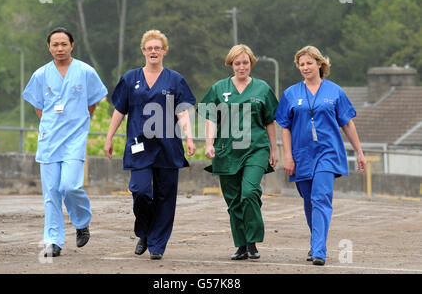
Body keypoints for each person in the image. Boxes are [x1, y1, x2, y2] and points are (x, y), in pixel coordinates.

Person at [104, 30, 196, 260]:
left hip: (168, 146)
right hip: (139, 146)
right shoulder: (130, 78)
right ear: (143, 51)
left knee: (166, 196)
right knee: (141, 190)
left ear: (164, 51)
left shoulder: (175, 80)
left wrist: (190, 137)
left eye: (158, 48)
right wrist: (109, 137)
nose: (153, 51)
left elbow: (182, 111)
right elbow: (119, 110)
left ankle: (157, 244)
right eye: (149, 48)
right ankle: (144, 232)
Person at [275, 45, 366, 266]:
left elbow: (347, 123)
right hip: (301, 155)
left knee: (320, 198)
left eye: (309, 63)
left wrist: (359, 152)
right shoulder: (291, 94)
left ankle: (319, 250)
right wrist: (288, 155)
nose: (305, 67)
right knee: (309, 201)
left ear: (319, 64)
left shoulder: (335, 92)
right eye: (301, 64)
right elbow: (284, 126)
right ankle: (316, 241)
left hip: (328, 152)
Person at [22, 27, 108, 257]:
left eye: (64, 44)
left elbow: (93, 102)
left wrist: (77, 122)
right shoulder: (40, 75)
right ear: (49, 47)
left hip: (74, 140)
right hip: (49, 141)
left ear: (72, 45)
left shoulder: (86, 71)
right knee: (51, 193)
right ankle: (53, 240)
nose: (59, 48)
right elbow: (39, 106)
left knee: (69, 186)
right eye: (55, 44)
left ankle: (81, 222)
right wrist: (51, 126)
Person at [198, 44, 279, 260]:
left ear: (251, 63)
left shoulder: (262, 89)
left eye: (245, 63)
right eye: (237, 63)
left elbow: (270, 121)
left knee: (250, 191)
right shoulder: (218, 88)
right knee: (233, 200)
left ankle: (252, 241)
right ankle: (241, 245)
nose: (241, 67)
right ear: (231, 65)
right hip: (226, 150)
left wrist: (274, 148)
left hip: (256, 148)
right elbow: (210, 117)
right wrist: (209, 143)